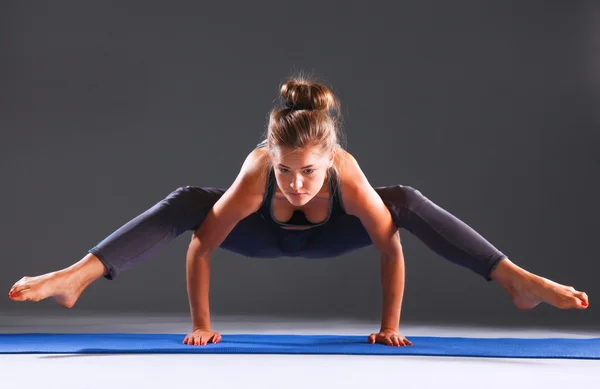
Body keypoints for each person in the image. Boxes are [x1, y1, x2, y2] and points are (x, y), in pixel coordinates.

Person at [8, 77, 589, 348]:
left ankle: (518, 282)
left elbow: (389, 245)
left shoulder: (347, 171)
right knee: (190, 200)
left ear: (330, 161)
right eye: (286, 170)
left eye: (309, 171)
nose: (296, 182)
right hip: (262, 237)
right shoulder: (258, 170)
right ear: (271, 156)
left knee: (404, 201)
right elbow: (202, 245)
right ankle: (76, 277)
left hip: (335, 236)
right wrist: (203, 324)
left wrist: (389, 328)